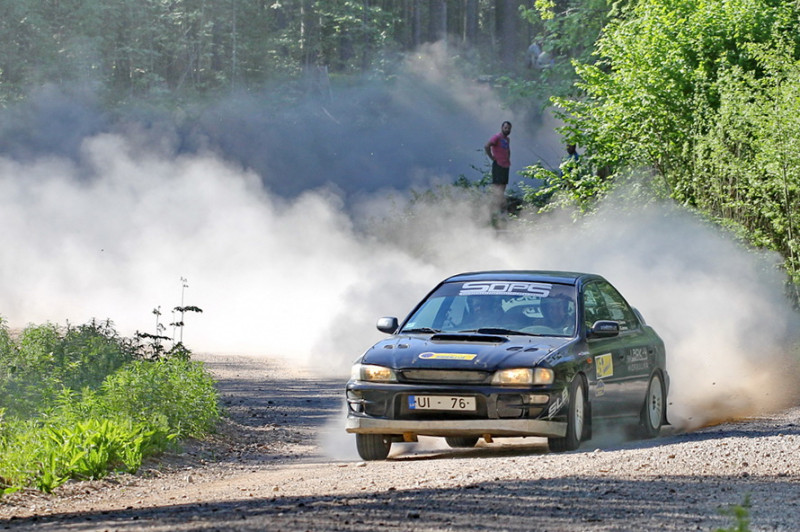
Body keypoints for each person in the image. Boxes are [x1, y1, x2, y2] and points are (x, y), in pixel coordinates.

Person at [484, 121, 512, 216]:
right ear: (502, 128)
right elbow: (487, 146)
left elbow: (508, 150)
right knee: (497, 187)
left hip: (505, 165)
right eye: (505, 128)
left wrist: (508, 158)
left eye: (509, 128)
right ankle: (494, 209)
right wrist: (491, 157)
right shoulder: (496, 137)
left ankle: (500, 208)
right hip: (498, 164)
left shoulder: (507, 139)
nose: (507, 130)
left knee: (503, 186)